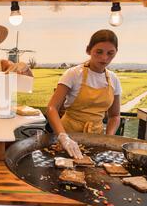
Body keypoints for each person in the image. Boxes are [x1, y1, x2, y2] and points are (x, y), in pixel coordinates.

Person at [46, 29, 122, 158]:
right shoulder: (73, 74)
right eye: (99, 52)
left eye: (110, 53)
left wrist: (108, 138)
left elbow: (114, 116)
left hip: (96, 138)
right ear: (88, 50)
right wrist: (63, 137)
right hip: (69, 134)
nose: (104, 58)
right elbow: (52, 108)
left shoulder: (114, 79)